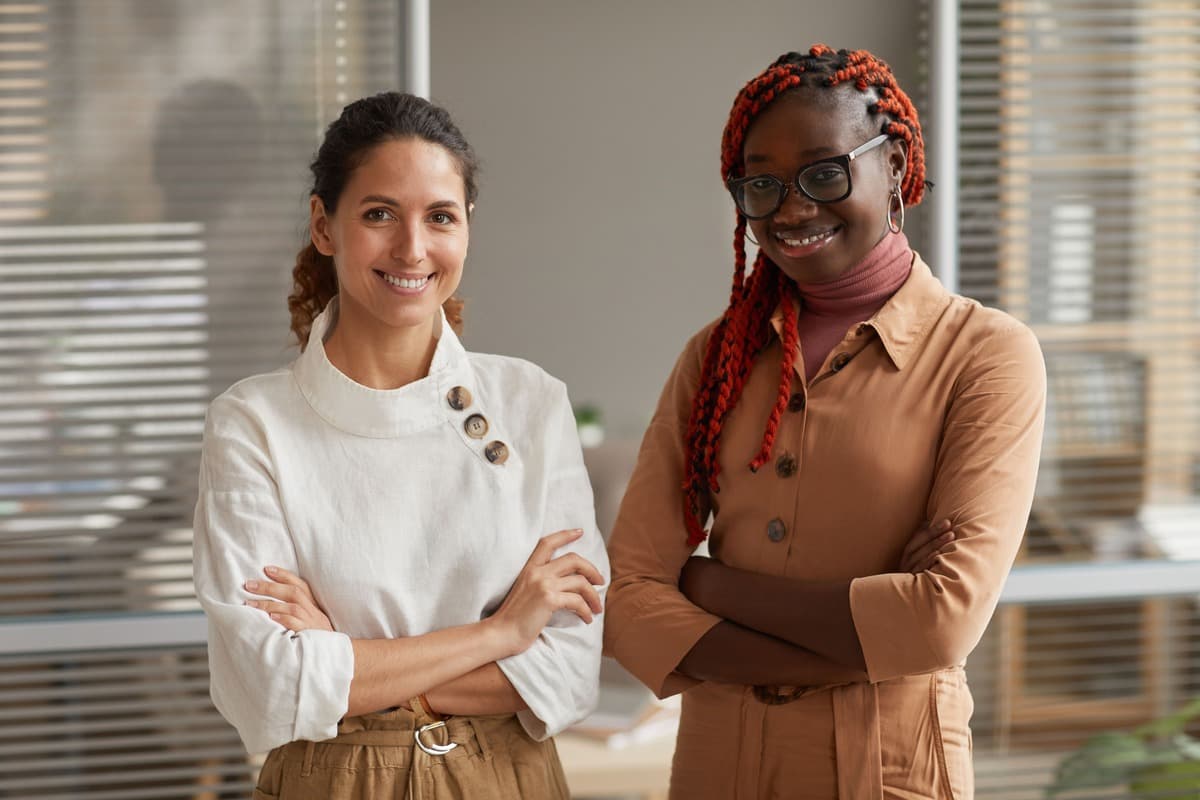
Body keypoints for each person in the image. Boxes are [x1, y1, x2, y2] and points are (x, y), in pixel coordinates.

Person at [603, 45, 1046, 799]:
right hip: (721, 763)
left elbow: (941, 622)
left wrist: (709, 585)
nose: (793, 208)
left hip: (891, 767)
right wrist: (857, 648)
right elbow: (631, 600)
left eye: (824, 172)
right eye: (762, 185)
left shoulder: (987, 356)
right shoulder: (714, 357)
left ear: (895, 164)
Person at [192, 92, 609, 798]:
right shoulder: (253, 424)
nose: (412, 249)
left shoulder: (531, 404)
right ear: (325, 226)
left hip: (507, 782)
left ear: (466, 228)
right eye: (379, 213)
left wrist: (343, 660)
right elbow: (269, 686)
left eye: (439, 217)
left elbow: (568, 672)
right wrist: (501, 634)